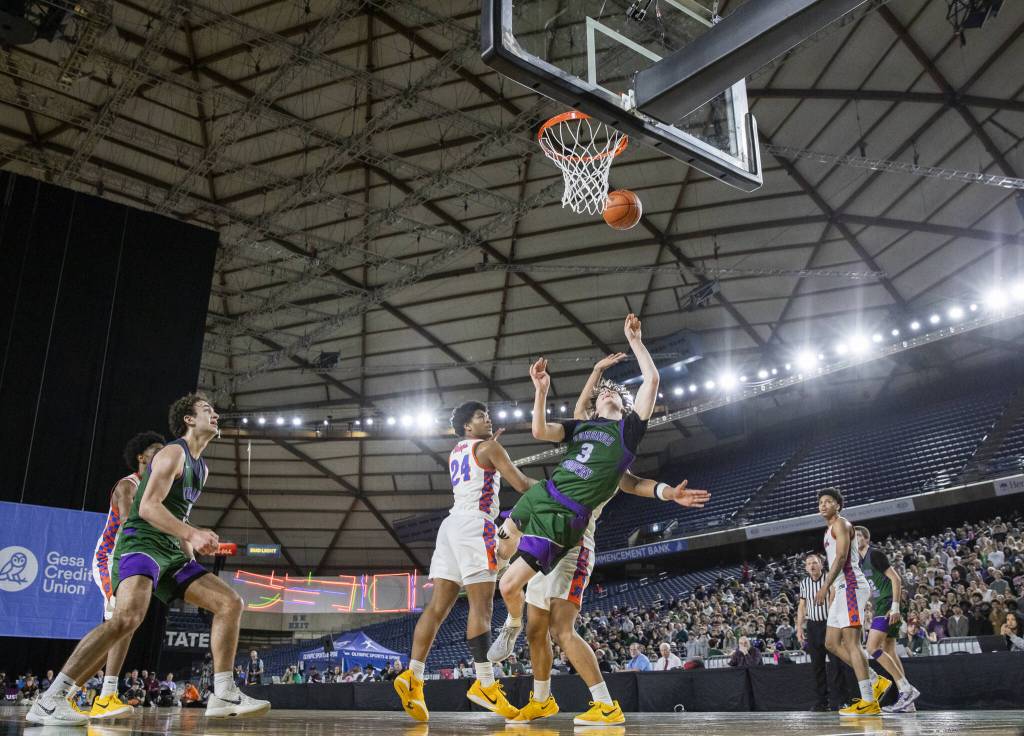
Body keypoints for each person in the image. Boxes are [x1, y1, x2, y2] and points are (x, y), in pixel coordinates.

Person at [27, 393, 269, 725]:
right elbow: (147, 508)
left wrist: (192, 558)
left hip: (170, 551)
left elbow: (179, 515)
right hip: (140, 542)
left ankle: (223, 692)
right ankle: (52, 698)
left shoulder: (202, 468)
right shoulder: (172, 453)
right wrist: (192, 534)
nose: (215, 415)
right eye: (207, 410)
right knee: (126, 619)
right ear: (189, 419)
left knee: (230, 602)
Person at [491, 314, 660, 727]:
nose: (604, 396)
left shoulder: (623, 437)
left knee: (562, 631)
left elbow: (649, 383)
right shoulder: (584, 431)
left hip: (574, 536)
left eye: (612, 396)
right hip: (549, 518)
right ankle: (543, 699)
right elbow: (550, 423)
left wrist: (634, 344)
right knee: (536, 629)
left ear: (621, 406)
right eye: (602, 395)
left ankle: (605, 703)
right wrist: (554, 386)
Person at [394, 401, 539, 723]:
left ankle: (413, 676)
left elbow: (479, 464)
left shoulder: (458, 450)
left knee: (437, 608)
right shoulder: (489, 446)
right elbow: (519, 483)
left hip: (450, 528)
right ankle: (485, 684)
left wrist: (490, 443)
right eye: (480, 417)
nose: (487, 419)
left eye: (487, 416)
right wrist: (554, 489)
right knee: (482, 608)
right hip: (476, 527)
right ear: (466, 426)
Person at [87, 431, 165, 719]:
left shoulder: (157, 490)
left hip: (132, 558)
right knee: (117, 624)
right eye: (157, 449)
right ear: (141, 457)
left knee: (126, 625)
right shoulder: (128, 484)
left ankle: (105, 695)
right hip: (111, 557)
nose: (162, 453)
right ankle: (68, 693)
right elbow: (129, 519)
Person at [813, 488, 879, 716]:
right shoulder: (827, 530)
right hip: (840, 589)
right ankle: (872, 679)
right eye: (820, 502)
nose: (823, 505)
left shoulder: (841, 524)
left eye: (828, 502)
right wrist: (831, 590)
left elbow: (841, 558)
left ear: (838, 506)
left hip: (850, 586)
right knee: (831, 643)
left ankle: (869, 700)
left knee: (852, 643)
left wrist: (824, 585)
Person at [854, 525, 921, 713]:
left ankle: (906, 689)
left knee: (872, 647)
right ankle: (908, 701)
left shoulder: (874, 555)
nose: (855, 539)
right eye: (853, 536)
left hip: (888, 603)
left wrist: (895, 606)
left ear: (866, 539)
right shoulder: (858, 563)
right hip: (880, 604)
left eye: (859, 536)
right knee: (889, 649)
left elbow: (896, 579)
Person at [798, 553, 853, 711]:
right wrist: (799, 627)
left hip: (830, 624)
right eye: (808, 564)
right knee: (817, 666)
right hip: (813, 626)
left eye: (814, 563)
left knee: (837, 664)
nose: (812, 566)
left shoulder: (830, 578)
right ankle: (822, 702)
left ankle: (843, 700)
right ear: (806, 568)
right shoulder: (804, 584)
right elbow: (802, 607)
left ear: (821, 564)